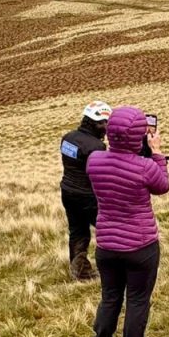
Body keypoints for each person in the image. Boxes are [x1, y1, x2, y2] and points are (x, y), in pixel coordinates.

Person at [86, 106, 169, 337]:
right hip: (140, 245)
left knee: (110, 296)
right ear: (139, 136)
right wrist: (156, 152)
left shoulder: (94, 160)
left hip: (107, 244)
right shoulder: (145, 166)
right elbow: (162, 186)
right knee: (137, 299)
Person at [60, 101, 111, 280]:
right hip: (88, 196)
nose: (106, 127)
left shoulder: (67, 138)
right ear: (96, 123)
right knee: (109, 229)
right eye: (104, 123)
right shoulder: (96, 147)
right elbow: (100, 174)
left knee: (77, 231)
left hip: (67, 191)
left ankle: (79, 270)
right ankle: (114, 268)